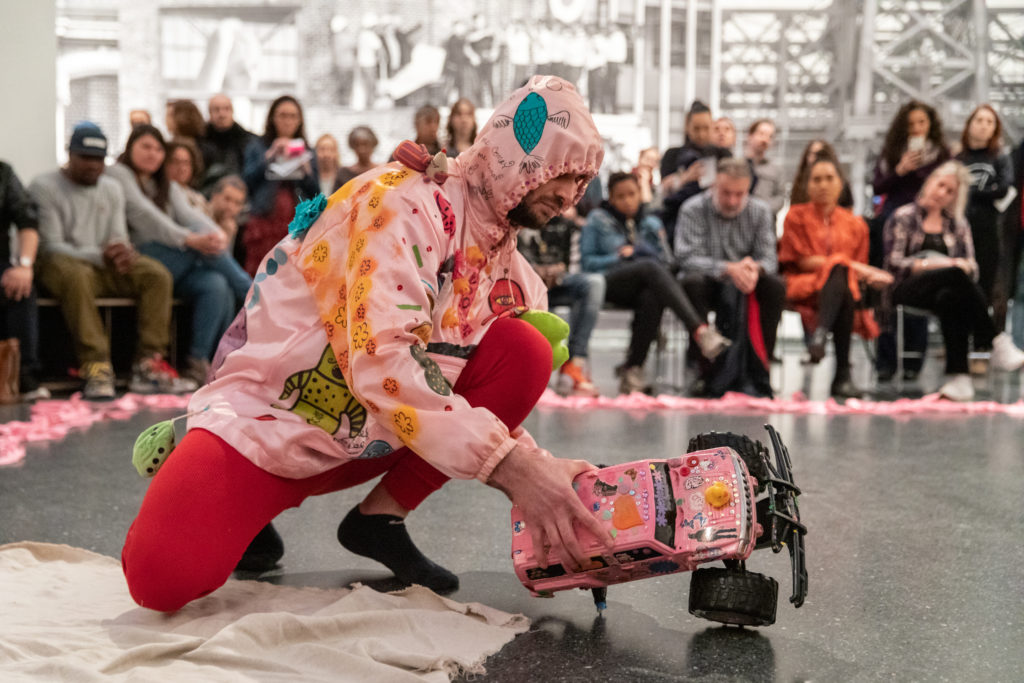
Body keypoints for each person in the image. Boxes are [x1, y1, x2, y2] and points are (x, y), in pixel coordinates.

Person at [121, 75, 612, 613]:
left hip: (372, 436)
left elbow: (462, 387)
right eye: (563, 174)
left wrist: (547, 478)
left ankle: (378, 519)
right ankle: (215, 464)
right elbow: (384, 362)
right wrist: (516, 470)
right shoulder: (402, 204)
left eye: (583, 181)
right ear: (520, 158)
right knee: (158, 582)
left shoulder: (510, 265)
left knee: (526, 348)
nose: (570, 196)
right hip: (276, 419)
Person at [29, 122, 186, 400]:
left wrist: (122, 251)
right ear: (70, 155)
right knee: (76, 274)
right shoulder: (44, 186)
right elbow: (51, 246)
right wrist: (100, 255)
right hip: (60, 265)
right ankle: (96, 365)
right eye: (85, 158)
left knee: (156, 274)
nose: (92, 165)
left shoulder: (112, 188)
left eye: (98, 159)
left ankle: (148, 364)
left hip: (101, 264)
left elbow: (118, 236)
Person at [108, 124, 251, 387]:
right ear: (130, 148)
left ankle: (201, 365)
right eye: (146, 147)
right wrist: (190, 239)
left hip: (172, 262)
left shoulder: (165, 185)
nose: (152, 154)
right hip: (137, 257)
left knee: (215, 284)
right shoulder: (119, 174)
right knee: (206, 256)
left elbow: (190, 216)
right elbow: (147, 218)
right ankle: (254, 293)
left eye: (158, 148)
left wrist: (214, 236)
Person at [883, 161, 1024, 401]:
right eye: (940, 186)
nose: (942, 194)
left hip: (944, 290)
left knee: (951, 297)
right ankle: (994, 339)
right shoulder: (904, 216)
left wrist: (958, 267)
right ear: (930, 182)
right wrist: (942, 264)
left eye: (950, 192)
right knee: (954, 274)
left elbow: (972, 268)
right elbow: (894, 264)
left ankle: (959, 378)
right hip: (906, 287)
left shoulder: (958, 224)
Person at [581, 172, 728, 394]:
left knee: (652, 294)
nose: (627, 200)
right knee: (648, 267)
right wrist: (622, 256)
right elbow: (588, 263)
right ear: (610, 198)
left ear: (640, 194)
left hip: (647, 285)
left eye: (632, 194)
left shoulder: (651, 221)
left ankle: (633, 369)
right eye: (620, 196)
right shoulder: (597, 220)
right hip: (609, 282)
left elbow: (669, 261)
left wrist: (648, 251)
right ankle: (700, 330)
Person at [779, 157, 893, 400]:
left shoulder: (856, 224)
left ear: (840, 184)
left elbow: (852, 271)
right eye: (816, 179)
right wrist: (856, 268)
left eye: (829, 178)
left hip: (842, 290)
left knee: (843, 281)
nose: (823, 185)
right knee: (842, 275)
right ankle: (843, 375)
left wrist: (847, 267)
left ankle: (820, 337)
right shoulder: (795, 216)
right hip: (803, 284)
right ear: (807, 186)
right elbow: (801, 260)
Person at [675, 158, 785, 398]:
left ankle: (759, 368)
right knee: (690, 282)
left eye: (740, 193)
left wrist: (752, 269)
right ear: (714, 185)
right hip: (707, 282)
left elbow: (769, 260)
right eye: (726, 193)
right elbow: (685, 257)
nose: (733, 201)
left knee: (775, 286)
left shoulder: (760, 211)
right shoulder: (692, 208)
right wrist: (728, 268)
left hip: (746, 283)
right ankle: (701, 370)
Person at [872, 101, 951, 380]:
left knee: (920, 286)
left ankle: (914, 362)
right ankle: (885, 360)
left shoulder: (941, 154)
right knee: (888, 288)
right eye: (911, 123)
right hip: (893, 224)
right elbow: (877, 186)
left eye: (922, 122)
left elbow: (946, 189)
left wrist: (923, 173)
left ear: (930, 125)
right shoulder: (891, 153)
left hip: (927, 225)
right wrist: (900, 170)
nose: (917, 128)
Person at [517, 207, 605, 396]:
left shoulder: (569, 227)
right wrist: (535, 272)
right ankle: (532, 370)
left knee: (594, 283)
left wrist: (557, 274)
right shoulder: (520, 220)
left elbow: (576, 266)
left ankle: (574, 363)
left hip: (561, 284)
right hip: (525, 284)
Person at [242, 95, 319, 277]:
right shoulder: (257, 146)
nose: (287, 121)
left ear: (299, 120)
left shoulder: (308, 150)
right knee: (261, 275)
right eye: (282, 115)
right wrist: (268, 157)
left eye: (292, 116)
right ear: (272, 118)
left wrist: (306, 170)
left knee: (293, 277)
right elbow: (246, 182)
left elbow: (317, 193)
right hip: (264, 218)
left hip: (298, 222)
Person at [954, 104, 1014, 311]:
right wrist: (988, 190)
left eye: (990, 122)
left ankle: (982, 340)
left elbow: (1004, 189)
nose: (984, 126)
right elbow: (950, 191)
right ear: (969, 124)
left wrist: (967, 190)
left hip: (988, 228)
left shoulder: (999, 158)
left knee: (985, 282)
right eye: (979, 120)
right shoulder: (958, 159)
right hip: (959, 227)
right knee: (958, 283)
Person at [0, 161, 47, 401]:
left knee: (21, 287)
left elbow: (27, 221)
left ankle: (25, 374)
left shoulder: (4, 173)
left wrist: (25, 265)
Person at [660, 101, 732, 246]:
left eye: (706, 128)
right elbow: (663, 190)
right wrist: (685, 177)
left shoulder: (723, 155)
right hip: (679, 222)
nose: (701, 134)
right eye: (696, 129)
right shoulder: (672, 155)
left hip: (717, 222)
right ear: (688, 127)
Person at [198, 94, 253, 191]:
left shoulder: (248, 140)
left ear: (232, 111)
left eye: (226, 109)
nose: (222, 114)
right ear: (209, 113)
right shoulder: (199, 141)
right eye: (216, 109)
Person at [790, 139, 854, 209]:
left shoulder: (842, 184)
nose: (823, 185)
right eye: (811, 154)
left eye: (820, 154)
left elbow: (848, 209)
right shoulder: (799, 184)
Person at [744, 119, 786, 217]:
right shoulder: (738, 166)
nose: (765, 139)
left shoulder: (777, 170)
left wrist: (762, 209)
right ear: (750, 136)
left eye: (770, 136)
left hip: (767, 223)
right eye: (761, 134)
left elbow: (780, 198)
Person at [164, 138, 208, 213]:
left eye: (186, 163)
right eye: (175, 162)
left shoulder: (199, 199)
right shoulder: (158, 193)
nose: (181, 168)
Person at [207, 175, 247, 252]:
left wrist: (228, 235)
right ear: (214, 196)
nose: (231, 207)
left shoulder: (230, 225)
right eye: (227, 199)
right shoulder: (200, 213)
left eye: (237, 203)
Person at [335, 125, 379, 190]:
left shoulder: (382, 172)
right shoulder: (344, 174)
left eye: (365, 144)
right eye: (357, 145)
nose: (362, 150)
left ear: (373, 145)